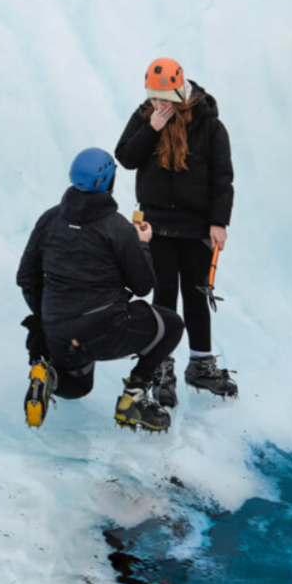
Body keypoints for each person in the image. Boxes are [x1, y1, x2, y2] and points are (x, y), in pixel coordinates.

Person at [17, 148, 183, 432]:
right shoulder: (117, 228)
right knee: (171, 325)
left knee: (78, 387)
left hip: (57, 330)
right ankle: (134, 398)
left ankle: (48, 375)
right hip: (105, 330)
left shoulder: (50, 219)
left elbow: (26, 278)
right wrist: (142, 243)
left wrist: (48, 318)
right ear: (108, 181)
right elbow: (143, 286)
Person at [115, 57, 237, 407]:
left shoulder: (209, 124)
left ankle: (200, 364)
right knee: (164, 297)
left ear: (180, 91)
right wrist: (151, 127)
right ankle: (161, 368)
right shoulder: (145, 117)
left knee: (197, 294)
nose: (159, 104)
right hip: (156, 225)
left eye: (165, 99)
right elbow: (125, 157)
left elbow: (222, 177)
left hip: (196, 225)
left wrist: (219, 222)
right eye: (154, 98)